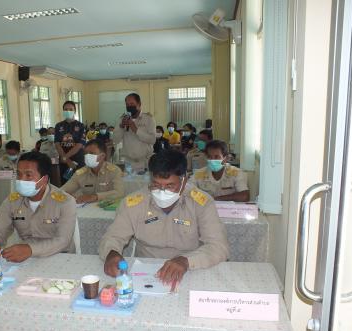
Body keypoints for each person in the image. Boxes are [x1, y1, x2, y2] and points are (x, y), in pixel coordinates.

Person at [99, 149, 228, 285]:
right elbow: (113, 237)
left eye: (170, 186)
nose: (162, 191)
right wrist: (111, 253)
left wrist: (186, 260)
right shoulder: (133, 203)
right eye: (156, 185)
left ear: (184, 181)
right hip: (145, 271)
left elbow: (218, 246)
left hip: (191, 269)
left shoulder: (202, 203)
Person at [0, 151, 76, 262]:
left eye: (28, 175)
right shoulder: (12, 201)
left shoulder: (65, 202)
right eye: (19, 174)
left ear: (44, 179)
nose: (21, 180)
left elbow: (63, 240)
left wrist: (31, 250)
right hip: (25, 257)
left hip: (60, 257)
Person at [61, 139, 124, 204]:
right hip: (86, 210)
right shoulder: (80, 173)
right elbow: (62, 190)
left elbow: (119, 192)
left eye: (91, 153)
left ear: (102, 156)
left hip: (107, 210)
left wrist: (95, 197)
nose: (87, 156)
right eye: (85, 153)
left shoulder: (114, 171)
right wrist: (68, 196)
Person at [112, 93, 156, 172]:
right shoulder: (122, 119)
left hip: (145, 162)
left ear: (139, 104)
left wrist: (135, 129)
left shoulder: (148, 118)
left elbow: (152, 139)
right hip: (128, 163)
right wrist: (121, 126)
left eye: (132, 104)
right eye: (127, 104)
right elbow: (115, 140)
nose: (129, 106)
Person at [54, 101, 86, 184]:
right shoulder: (58, 126)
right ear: (63, 111)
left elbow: (79, 144)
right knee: (66, 184)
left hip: (77, 159)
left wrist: (66, 157)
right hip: (63, 160)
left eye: (70, 109)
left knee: (80, 184)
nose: (68, 111)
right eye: (66, 109)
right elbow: (57, 143)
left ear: (75, 111)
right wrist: (66, 159)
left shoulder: (80, 125)